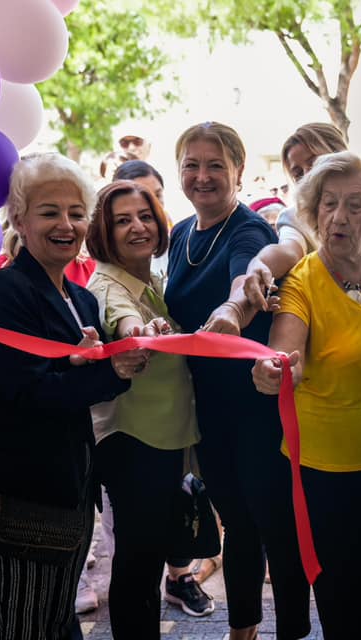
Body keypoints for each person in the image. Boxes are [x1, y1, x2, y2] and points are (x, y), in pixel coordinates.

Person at [0, 153, 144, 640]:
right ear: (18, 219)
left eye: (76, 212)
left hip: (66, 495)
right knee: (27, 628)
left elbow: (76, 376)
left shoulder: (79, 300)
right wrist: (108, 371)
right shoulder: (4, 295)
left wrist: (115, 359)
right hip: (13, 501)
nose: (66, 224)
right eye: (49, 211)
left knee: (55, 624)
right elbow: (29, 394)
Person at [163, 121, 310, 640]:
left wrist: (235, 307)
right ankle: (242, 629)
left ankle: (291, 629)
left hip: (257, 407)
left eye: (215, 166)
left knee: (278, 530)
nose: (202, 177)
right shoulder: (181, 234)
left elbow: (249, 280)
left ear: (239, 173)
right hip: (208, 411)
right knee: (238, 530)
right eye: (191, 165)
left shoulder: (249, 230)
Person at [251, 152, 361, 638]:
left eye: (355, 205)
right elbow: (283, 351)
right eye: (329, 204)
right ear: (313, 213)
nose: (340, 217)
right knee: (341, 601)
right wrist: (275, 371)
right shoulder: (302, 280)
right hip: (324, 473)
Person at [85, 181, 212, 636]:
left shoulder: (150, 280)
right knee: (138, 564)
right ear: (104, 231)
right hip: (134, 441)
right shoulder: (107, 285)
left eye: (144, 216)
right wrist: (143, 331)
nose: (137, 227)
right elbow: (126, 322)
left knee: (147, 558)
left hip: (161, 438)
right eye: (122, 220)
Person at [240, 123, 361, 321]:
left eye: (315, 162)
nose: (308, 176)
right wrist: (259, 265)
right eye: (298, 174)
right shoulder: (295, 217)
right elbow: (287, 250)